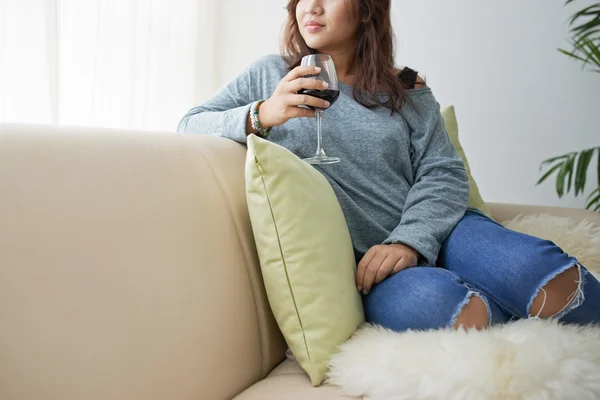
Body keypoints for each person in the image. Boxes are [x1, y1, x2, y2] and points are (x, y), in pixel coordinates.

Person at [177, 0, 600, 332]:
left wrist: (410, 241)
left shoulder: (405, 87)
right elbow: (189, 124)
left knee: (542, 273)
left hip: (448, 231)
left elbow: (442, 171)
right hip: (370, 265)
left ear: (366, 9)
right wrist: (262, 113)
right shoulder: (272, 74)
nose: (312, 6)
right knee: (445, 309)